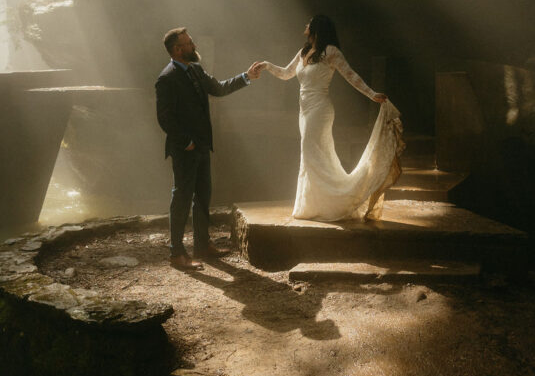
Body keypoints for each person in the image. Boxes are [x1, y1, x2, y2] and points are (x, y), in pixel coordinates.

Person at [254, 15, 403, 222]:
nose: (305, 25)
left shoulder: (331, 52)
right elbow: (286, 73)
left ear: (317, 29)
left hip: (320, 110)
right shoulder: (304, 52)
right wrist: (267, 65)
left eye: (309, 23)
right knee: (315, 157)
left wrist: (371, 94)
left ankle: (332, 204)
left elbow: (351, 76)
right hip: (304, 112)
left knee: (309, 150)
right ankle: (315, 206)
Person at [156, 27, 261, 270]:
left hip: (203, 145)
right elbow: (165, 119)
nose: (194, 46)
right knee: (181, 198)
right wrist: (186, 142)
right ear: (177, 49)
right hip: (185, 149)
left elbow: (219, 88)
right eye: (189, 43)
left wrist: (247, 76)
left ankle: (202, 245)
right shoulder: (167, 78)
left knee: (203, 197)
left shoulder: (196, 69)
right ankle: (176, 253)